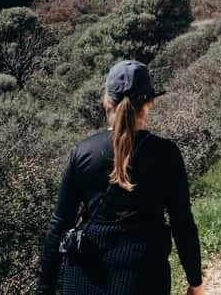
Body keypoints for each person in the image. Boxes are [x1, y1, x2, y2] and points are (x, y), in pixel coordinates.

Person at [37, 60, 205, 295]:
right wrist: (195, 282)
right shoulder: (166, 153)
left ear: (107, 101)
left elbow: (59, 225)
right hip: (144, 276)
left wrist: (44, 288)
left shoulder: (83, 152)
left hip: (84, 278)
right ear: (149, 103)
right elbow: (182, 222)